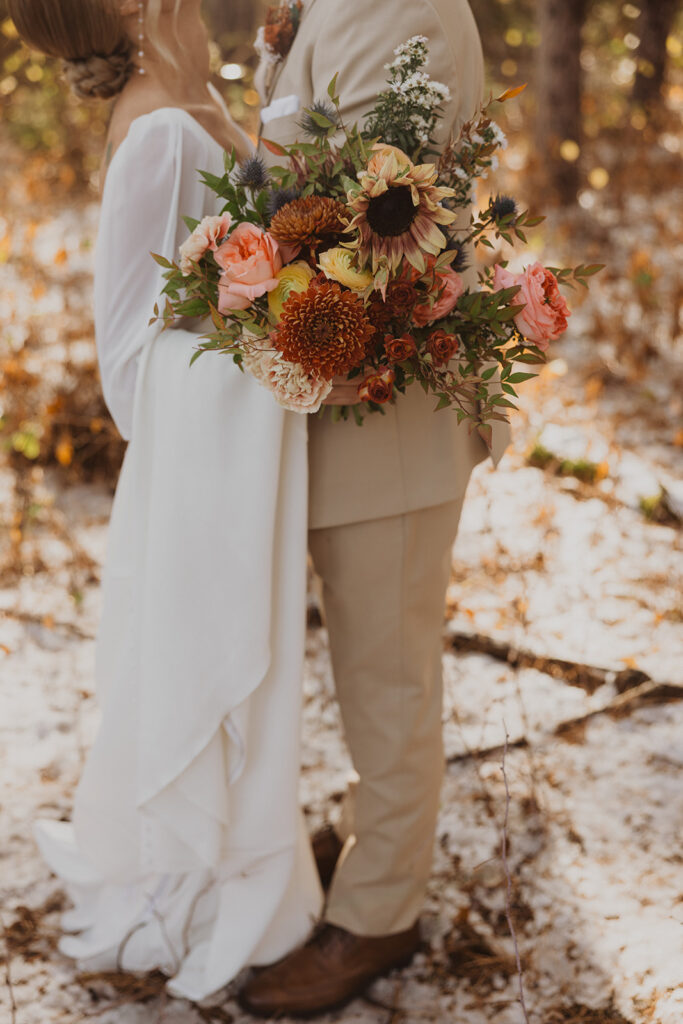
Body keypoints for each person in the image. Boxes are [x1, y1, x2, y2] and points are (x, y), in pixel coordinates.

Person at [8, 0, 323, 1002]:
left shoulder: (183, 95)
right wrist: (258, 339)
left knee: (256, 658)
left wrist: (219, 108)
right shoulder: (152, 129)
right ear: (124, 11)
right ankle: (201, 882)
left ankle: (254, 860)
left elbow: (260, 213)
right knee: (213, 662)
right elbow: (126, 361)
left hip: (241, 448)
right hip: (202, 467)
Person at [240, 0, 511, 1015]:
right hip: (334, 395)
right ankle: (370, 833)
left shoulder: (409, 9)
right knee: (359, 667)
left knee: (389, 680)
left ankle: (379, 912)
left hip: (393, 411)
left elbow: (345, 196)